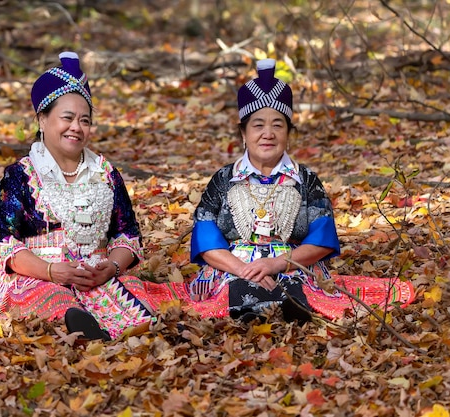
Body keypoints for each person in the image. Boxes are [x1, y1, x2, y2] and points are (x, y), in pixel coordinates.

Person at [0, 52, 155, 341]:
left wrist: (110, 267)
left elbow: (128, 234)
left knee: (137, 293)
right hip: (38, 275)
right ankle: (77, 322)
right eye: (67, 118)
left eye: (84, 120)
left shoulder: (105, 173)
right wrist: (52, 271)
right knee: (47, 297)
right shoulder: (22, 176)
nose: (77, 127)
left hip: (97, 276)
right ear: (42, 120)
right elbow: (3, 241)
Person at [178, 58, 415, 324]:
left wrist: (275, 264)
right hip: (233, 267)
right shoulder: (224, 180)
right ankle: (251, 308)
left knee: (296, 288)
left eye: (277, 125)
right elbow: (206, 239)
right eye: (258, 125)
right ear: (243, 134)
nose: (268, 133)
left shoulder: (306, 180)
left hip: (292, 264)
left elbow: (321, 240)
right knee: (234, 289)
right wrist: (245, 269)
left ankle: (282, 308)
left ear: (289, 133)